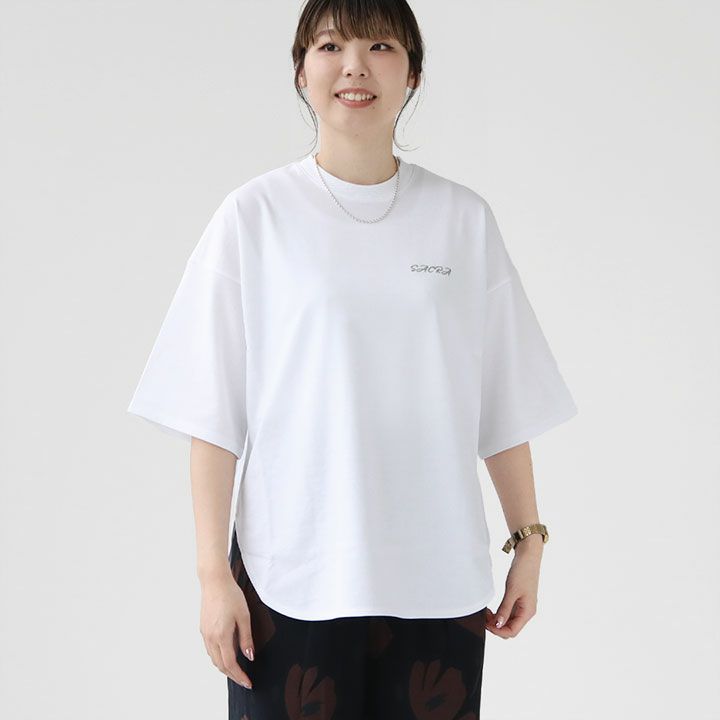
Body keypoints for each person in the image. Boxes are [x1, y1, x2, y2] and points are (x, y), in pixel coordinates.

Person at [127, 1, 579, 717]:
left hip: (437, 578)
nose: (355, 66)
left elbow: (502, 395)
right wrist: (214, 576)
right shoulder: (255, 216)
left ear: (413, 73)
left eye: (381, 47)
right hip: (289, 573)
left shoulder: (462, 220)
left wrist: (528, 539)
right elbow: (211, 415)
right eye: (331, 46)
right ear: (301, 72)